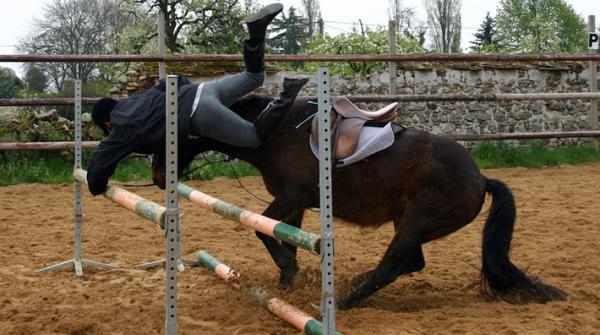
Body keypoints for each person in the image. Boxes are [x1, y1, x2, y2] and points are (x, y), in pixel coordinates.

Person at [86, 3, 308, 196]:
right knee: (254, 76)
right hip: (206, 90)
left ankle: (287, 93)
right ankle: (256, 32)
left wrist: (97, 186)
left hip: (199, 112)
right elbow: (171, 83)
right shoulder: (137, 101)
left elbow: (98, 168)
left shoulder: (121, 129)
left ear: (107, 123)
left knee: (253, 136)